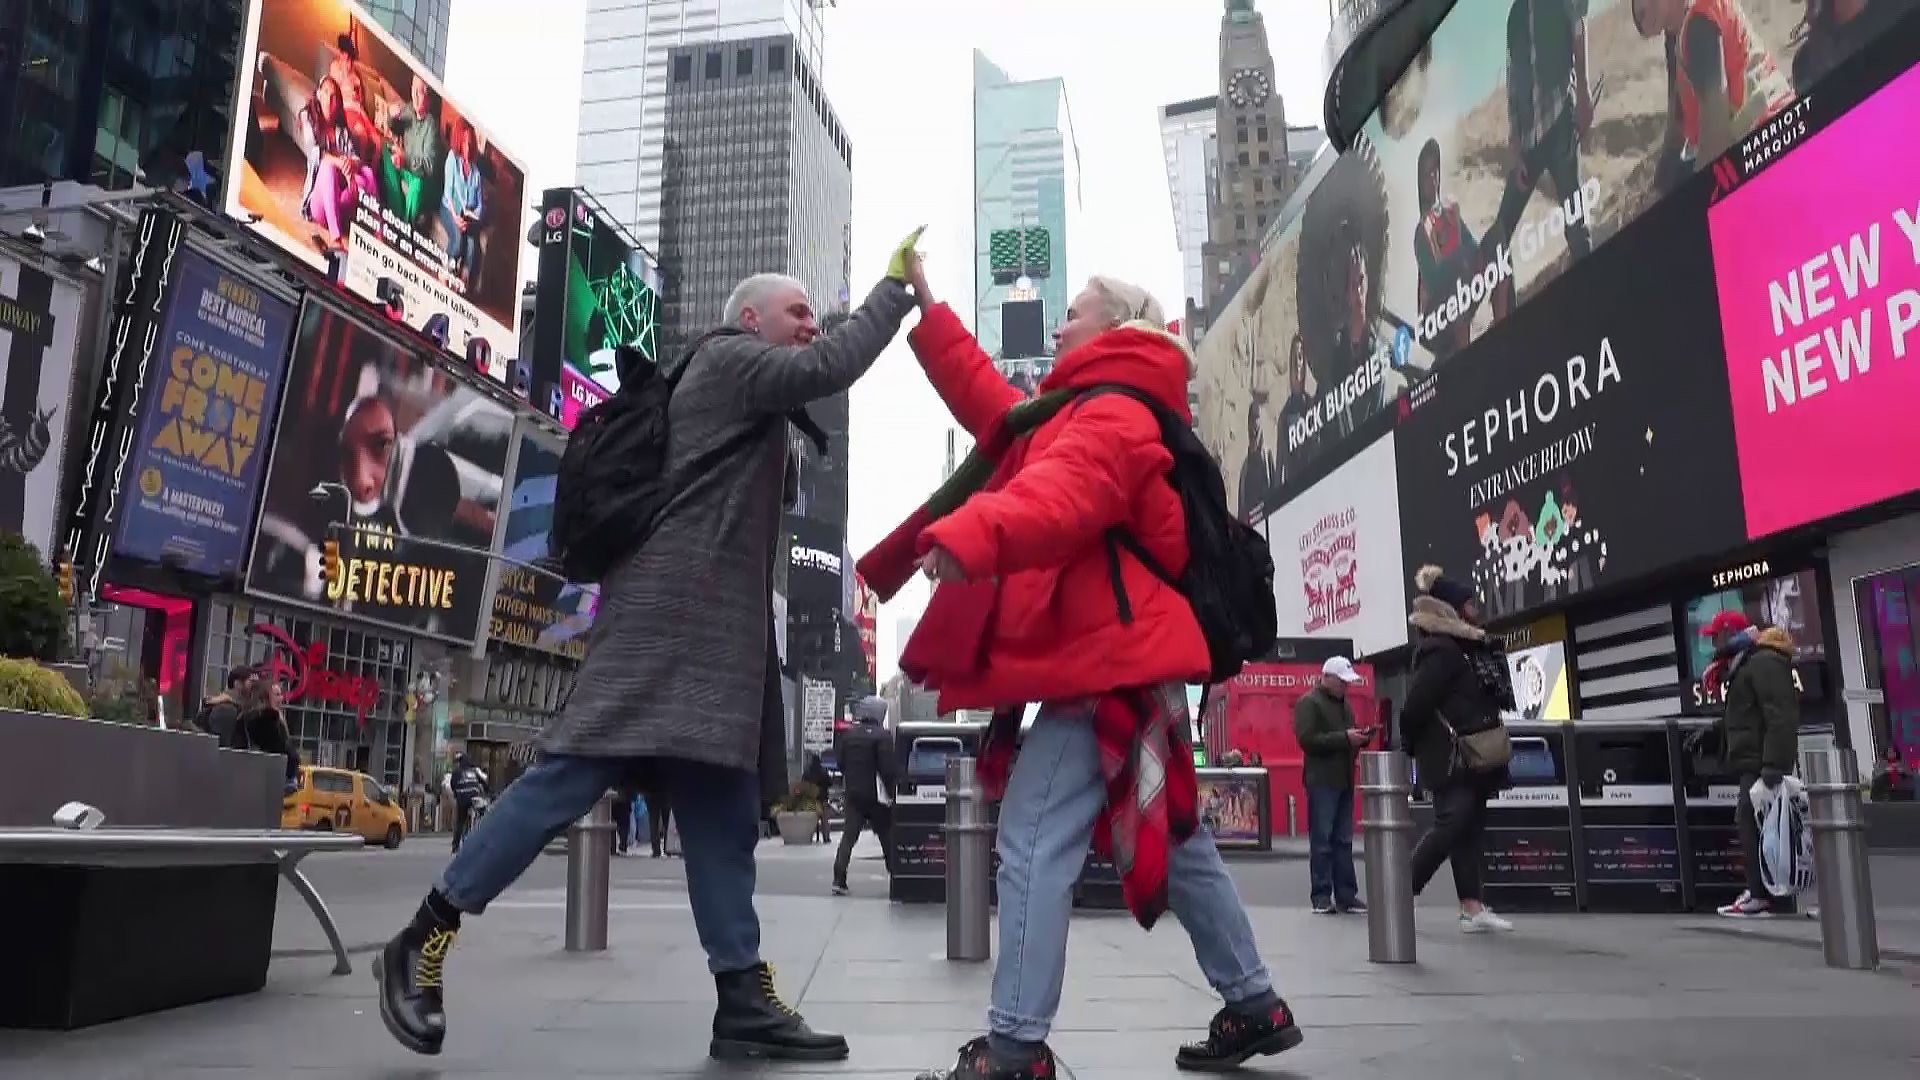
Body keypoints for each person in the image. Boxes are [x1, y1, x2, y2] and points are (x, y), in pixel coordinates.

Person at [371, 232, 925, 1062]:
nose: (811, 325)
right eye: (798, 312)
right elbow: (827, 368)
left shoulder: (749, 394)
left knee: (721, 817)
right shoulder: (730, 359)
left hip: (710, 643)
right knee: (564, 781)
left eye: (815, 314)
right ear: (749, 320)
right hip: (665, 630)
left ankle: (741, 996)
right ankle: (422, 936)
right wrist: (894, 289)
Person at [873, 260, 1299, 1079]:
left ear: (1114, 329)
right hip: (1120, 661)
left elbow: (1062, 496)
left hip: (1108, 669)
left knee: (1031, 839)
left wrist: (967, 537)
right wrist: (929, 309)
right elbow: (997, 412)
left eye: (1073, 313)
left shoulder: (1115, 413)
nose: (1059, 326)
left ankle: (1014, 1048)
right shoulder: (1084, 409)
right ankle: (1254, 1003)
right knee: (1175, 834)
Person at [1401, 565, 1517, 934]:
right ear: (1451, 609)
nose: (1475, 609)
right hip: (1452, 758)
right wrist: (1412, 747)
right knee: (1450, 827)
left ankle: (1471, 907)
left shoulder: (1465, 648)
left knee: (1467, 830)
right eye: (1469, 603)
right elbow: (1414, 708)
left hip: (1473, 757)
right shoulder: (1442, 651)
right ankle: (1400, 891)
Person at [1634, 0, 1793, 192]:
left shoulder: (1698, 25)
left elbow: (1716, 135)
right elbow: (1678, 121)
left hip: (1765, 141)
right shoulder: (1681, 30)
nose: (1641, 17)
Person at [1702, 611, 1800, 917]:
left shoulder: (1761, 661)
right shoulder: (1745, 663)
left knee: (1752, 823)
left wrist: (1774, 765)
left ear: (1730, 633)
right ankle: (1771, 894)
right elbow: (1747, 714)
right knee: (1762, 827)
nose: (1714, 644)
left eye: (1716, 636)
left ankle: (1762, 895)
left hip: (1761, 763)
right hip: (1755, 760)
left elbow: (1779, 715)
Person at [1292, 656, 1368, 915]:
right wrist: (1345, 738)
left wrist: (1359, 738)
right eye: (1342, 682)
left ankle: (1346, 895)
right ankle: (1321, 896)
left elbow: (1338, 738)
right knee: (1322, 840)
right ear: (1327, 678)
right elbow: (1307, 740)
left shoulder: (1345, 706)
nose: (1346, 687)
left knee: (1343, 840)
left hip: (1343, 778)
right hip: (1322, 781)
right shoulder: (1309, 703)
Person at [297, 76, 376, 252]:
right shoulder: (307, 117)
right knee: (328, 167)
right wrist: (339, 163)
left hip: (342, 204)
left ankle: (379, 233)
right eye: (326, 93)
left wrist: (350, 165)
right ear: (319, 94)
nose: (330, 100)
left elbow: (355, 157)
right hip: (319, 207)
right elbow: (314, 151)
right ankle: (336, 238)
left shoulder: (342, 131)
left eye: (334, 97)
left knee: (367, 173)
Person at [832, 696, 900, 895]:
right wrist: (893, 792)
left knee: (848, 837)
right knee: (887, 838)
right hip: (876, 797)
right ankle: (896, 878)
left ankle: (839, 878)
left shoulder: (849, 735)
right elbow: (887, 769)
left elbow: (840, 763)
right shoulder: (883, 736)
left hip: (854, 794)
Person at [380, 73, 447, 232]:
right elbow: (395, 127)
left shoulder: (432, 127)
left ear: (428, 98)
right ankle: (396, 216)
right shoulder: (410, 109)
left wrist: (406, 160)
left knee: (417, 183)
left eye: (420, 92)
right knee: (386, 151)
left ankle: (404, 230)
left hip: (428, 183)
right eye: (414, 89)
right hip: (409, 169)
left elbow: (428, 167)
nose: (415, 96)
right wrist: (391, 117)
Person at [439, 122, 486, 288]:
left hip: (467, 216)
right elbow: (448, 192)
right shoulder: (452, 158)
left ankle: (463, 278)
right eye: (465, 142)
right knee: (458, 240)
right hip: (449, 209)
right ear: (459, 140)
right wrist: (455, 217)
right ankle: (445, 271)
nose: (468, 146)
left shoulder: (476, 172)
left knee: (472, 243)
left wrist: (473, 217)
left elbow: (479, 205)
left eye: (470, 143)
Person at [234, 679, 300, 793]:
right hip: (265, 779)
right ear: (265, 698)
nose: (281, 698)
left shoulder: (248, 717)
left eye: (281, 694)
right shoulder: (266, 720)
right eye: (277, 695)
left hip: (258, 777)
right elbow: (278, 748)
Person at [194, 665, 256, 747]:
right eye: (251, 681)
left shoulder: (241, 708)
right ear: (237, 683)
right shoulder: (226, 709)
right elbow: (223, 746)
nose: (254, 686)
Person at [443, 754, 490, 854]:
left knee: (460, 821)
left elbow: (452, 785)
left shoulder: (457, 772)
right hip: (475, 798)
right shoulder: (474, 771)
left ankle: (455, 846)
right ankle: (480, 834)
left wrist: (456, 794)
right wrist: (487, 792)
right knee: (482, 814)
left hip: (462, 798)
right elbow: (484, 783)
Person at [802, 752, 833, 844]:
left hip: (812, 799)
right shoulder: (823, 771)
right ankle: (826, 837)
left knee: (811, 820)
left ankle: (809, 837)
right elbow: (830, 783)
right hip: (823, 799)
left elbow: (803, 784)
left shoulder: (807, 772)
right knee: (825, 820)